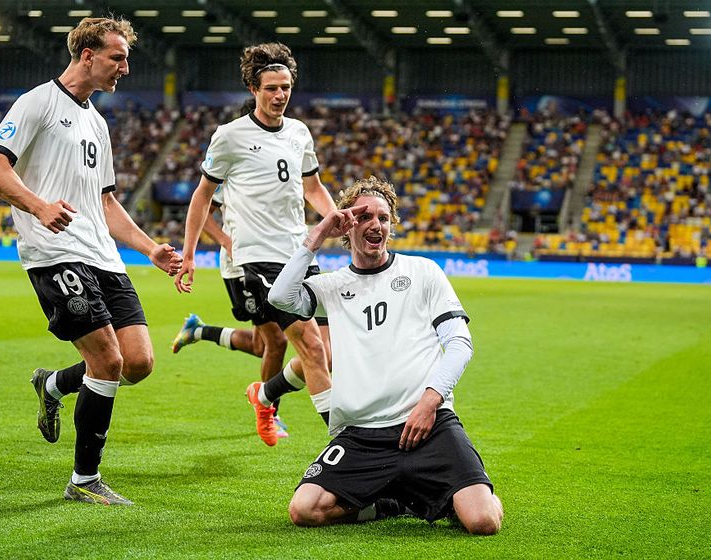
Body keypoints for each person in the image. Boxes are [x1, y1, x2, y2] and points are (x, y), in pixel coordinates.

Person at [0, 16, 182, 506]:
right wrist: (39, 206)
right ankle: (84, 480)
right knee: (107, 360)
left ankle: (51, 384)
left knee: (138, 363)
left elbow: (107, 203)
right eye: (118, 57)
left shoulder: (96, 121)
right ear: (87, 55)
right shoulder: (38, 103)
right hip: (55, 252)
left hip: (104, 255)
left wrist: (150, 247)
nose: (125, 68)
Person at [268, 176, 504, 534]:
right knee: (305, 510)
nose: (375, 225)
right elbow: (280, 298)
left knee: (483, 521)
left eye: (383, 217)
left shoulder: (423, 271)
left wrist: (430, 401)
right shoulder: (331, 286)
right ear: (347, 226)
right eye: (363, 217)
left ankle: (463, 487)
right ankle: (390, 504)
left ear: (391, 225)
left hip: (428, 424)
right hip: (362, 434)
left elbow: (459, 343)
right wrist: (317, 236)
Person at [174, 43, 336, 447]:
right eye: (271, 88)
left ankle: (264, 395)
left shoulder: (299, 132)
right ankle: (346, 441)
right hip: (257, 259)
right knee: (307, 348)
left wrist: (338, 220)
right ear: (253, 88)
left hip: (300, 254)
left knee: (330, 353)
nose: (280, 95)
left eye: (286, 87)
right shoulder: (230, 136)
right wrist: (190, 253)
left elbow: (312, 187)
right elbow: (201, 196)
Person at [172, 184, 294, 437]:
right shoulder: (234, 167)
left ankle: (199, 331)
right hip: (241, 267)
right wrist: (226, 241)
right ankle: (270, 412)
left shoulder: (277, 163)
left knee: (263, 346)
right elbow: (204, 209)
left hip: (271, 260)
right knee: (277, 341)